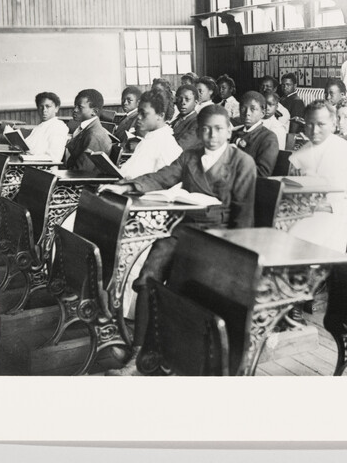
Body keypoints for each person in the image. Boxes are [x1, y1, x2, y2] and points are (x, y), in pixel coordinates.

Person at [100, 104, 257, 376]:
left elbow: (243, 217)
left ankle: (183, 356)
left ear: (229, 131)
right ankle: (141, 355)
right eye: (205, 129)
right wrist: (126, 186)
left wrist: (235, 256)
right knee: (148, 278)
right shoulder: (190, 156)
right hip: (183, 230)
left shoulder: (242, 162)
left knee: (191, 293)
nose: (212, 135)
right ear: (198, 132)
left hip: (220, 237)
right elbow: (162, 177)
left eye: (219, 129)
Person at [287, 100, 347, 251]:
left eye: (321, 124)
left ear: (333, 125)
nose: (314, 130)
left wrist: (328, 207)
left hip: (340, 222)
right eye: (309, 124)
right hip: (303, 218)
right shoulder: (298, 156)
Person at [119, 89, 182, 179]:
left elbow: (164, 183)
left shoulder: (166, 144)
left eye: (144, 113)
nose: (139, 117)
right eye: (139, 112)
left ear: (160, 115)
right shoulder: (149, 139)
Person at [231, 91, 280, 177]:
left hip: (249, 185)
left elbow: (262, 173)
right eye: (243, 108)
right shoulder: (234, 133)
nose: (247, 113)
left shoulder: (268, 138)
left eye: (253, 109)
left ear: (263, 113)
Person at [64, 89, 113, 173]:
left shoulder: (95, 135)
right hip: (71, 176)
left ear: (94, 111)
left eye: (80, 107)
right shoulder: (86, 129)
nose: (75, 110)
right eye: (75, 106)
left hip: (81, 183)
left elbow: (82, 171)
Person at [24, 91, 69, 162]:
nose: (44, 110)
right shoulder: (39, 127)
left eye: (48, 106)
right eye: (41, 107)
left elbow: (54, 157)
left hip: (44, 169)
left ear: (56, 108)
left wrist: (26, 157)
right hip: (29, 164)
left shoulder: (58, 127)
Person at [170, 84, 202, 151]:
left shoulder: (197, 123)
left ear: (195, 102)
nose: (183, 102)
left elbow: (179, 147)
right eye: (179, 99)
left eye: (187, 99)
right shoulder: (176, 120)